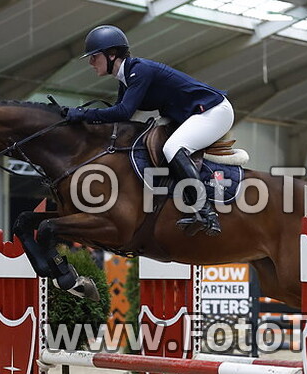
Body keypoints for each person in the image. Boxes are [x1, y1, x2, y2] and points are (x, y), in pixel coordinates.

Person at [66, 25, 233, 237]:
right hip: (192, 114)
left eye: (94, 56)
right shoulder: (125, 78)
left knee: (173, 148)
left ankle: (206, 212)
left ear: (112, 54)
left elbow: (123, 112)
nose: (91, 62)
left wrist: (81, 114)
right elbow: (118, 116)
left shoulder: (139, 70)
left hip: (214, 111)